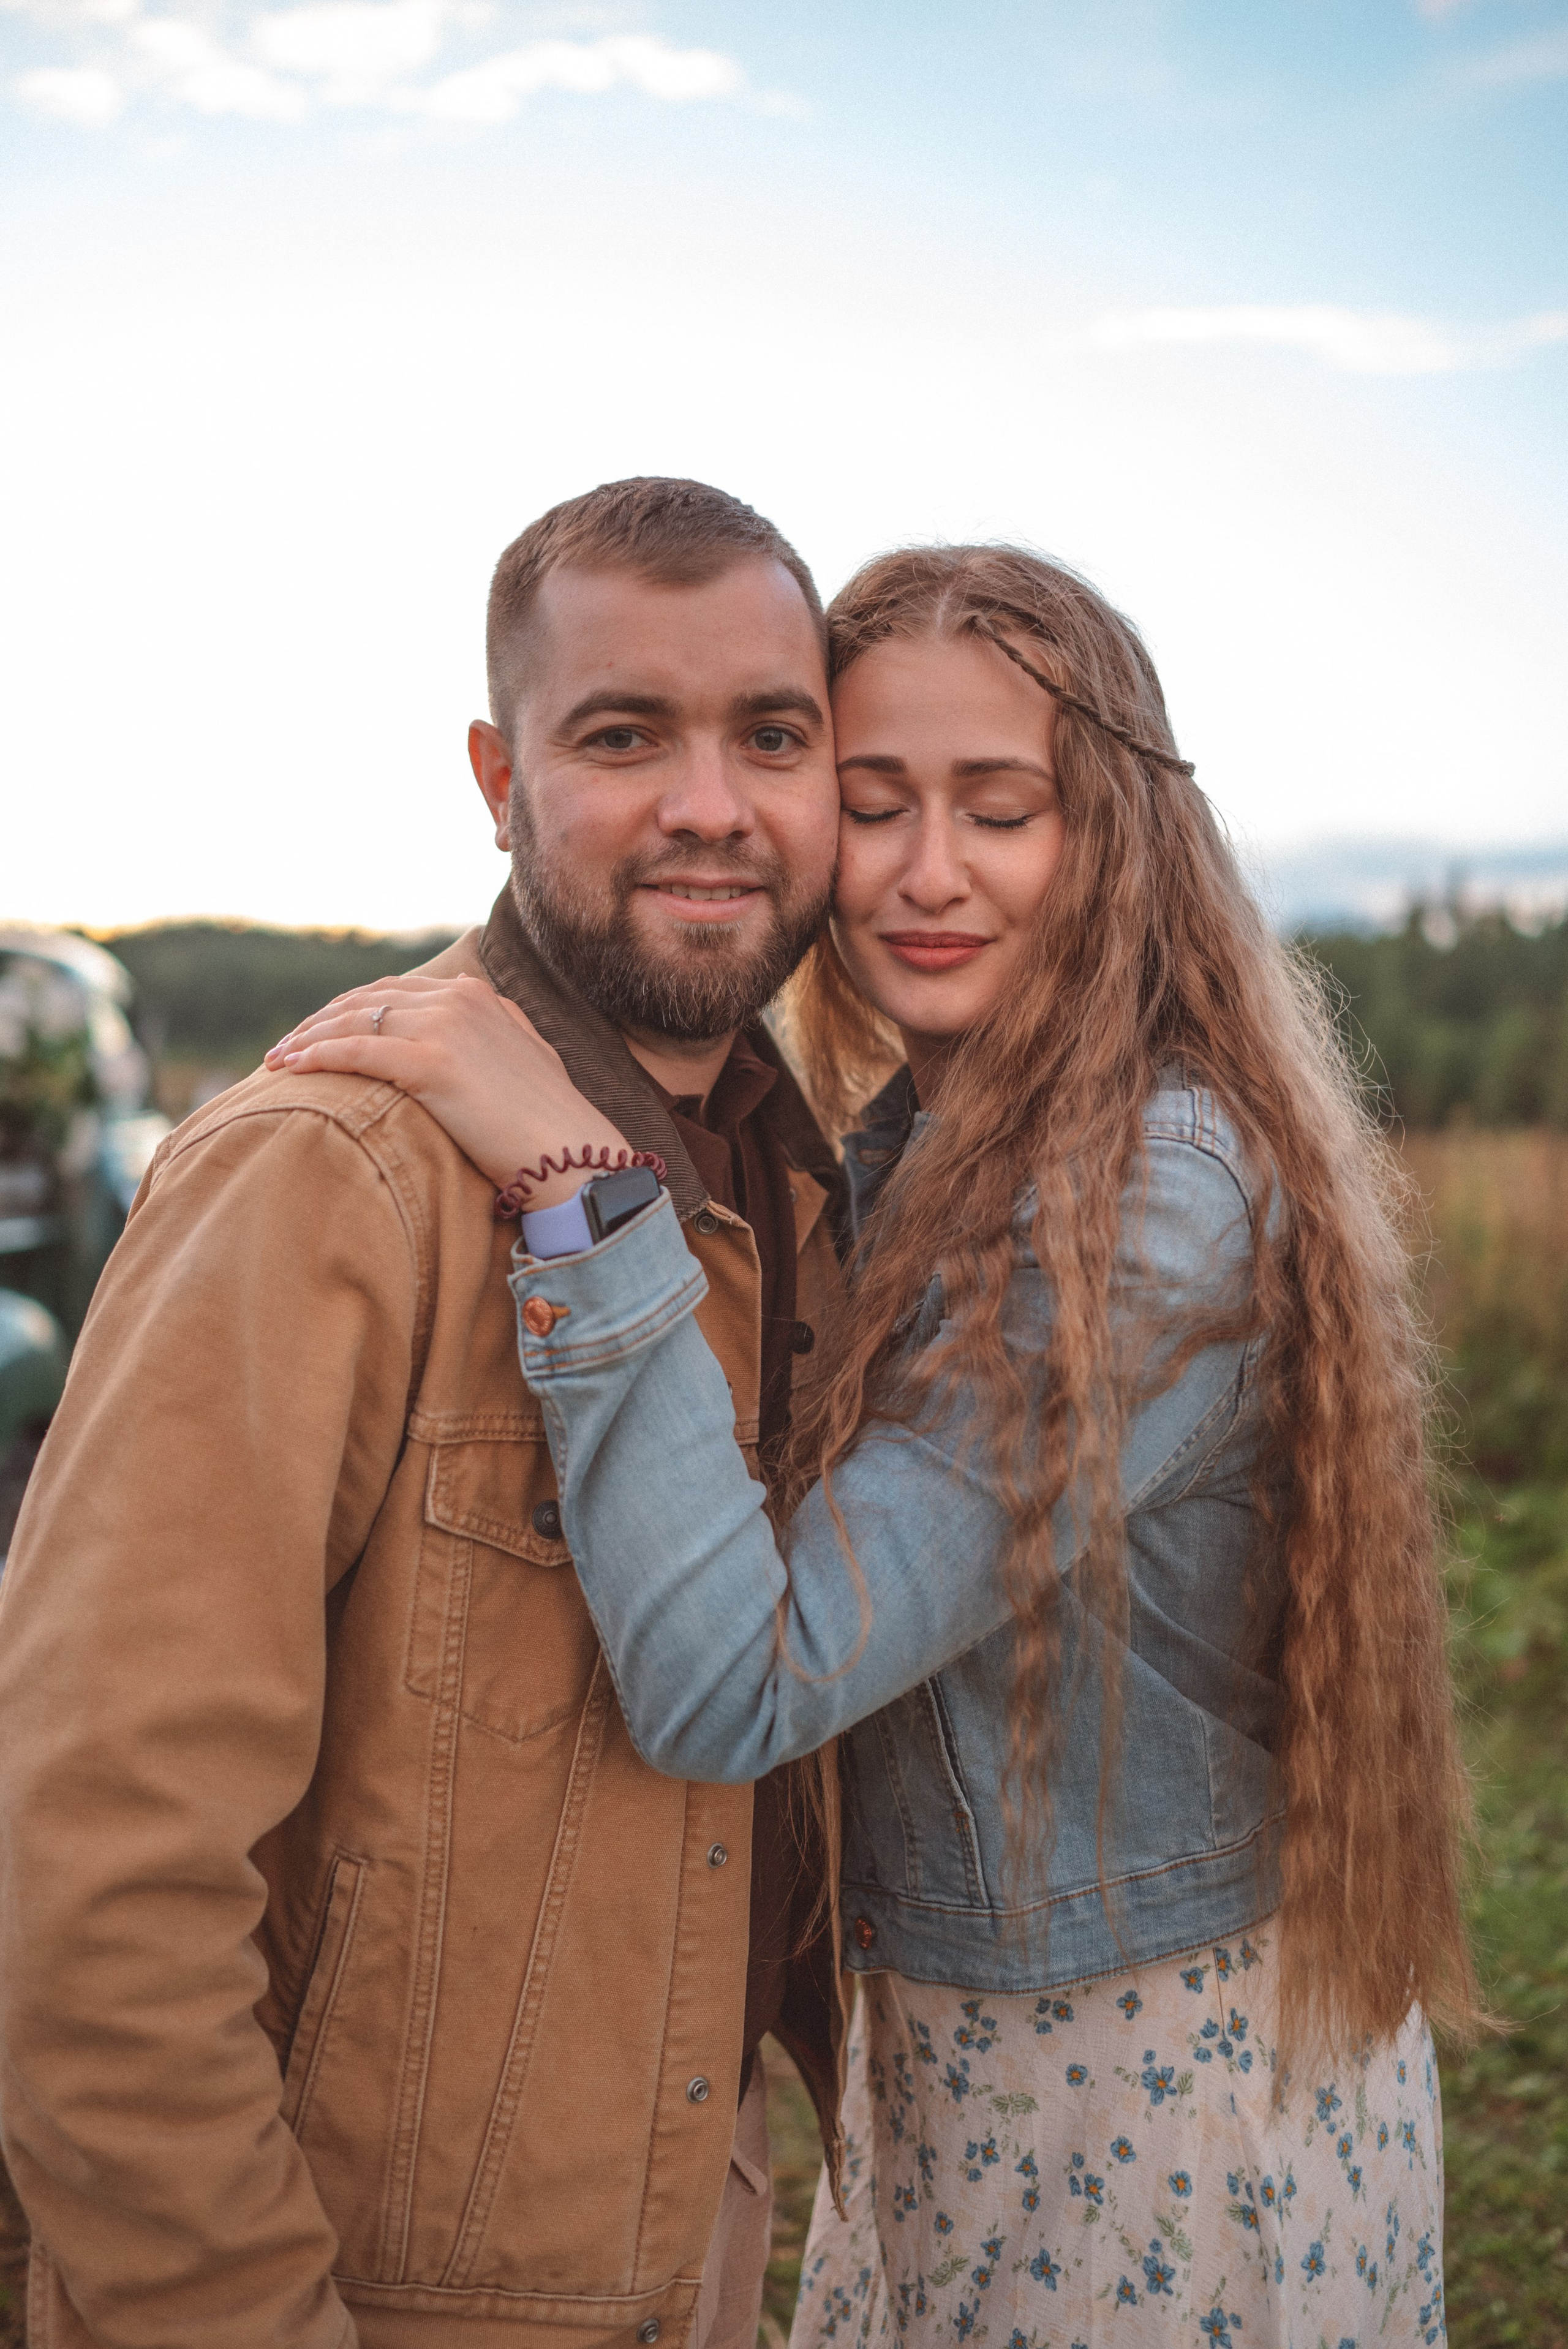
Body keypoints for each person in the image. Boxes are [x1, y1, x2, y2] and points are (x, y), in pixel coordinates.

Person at [279, 544, 1476, 2346]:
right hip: (957, 2069)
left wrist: (576, 1193)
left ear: (1120, 839)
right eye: (873, 802)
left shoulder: (1157, 1193)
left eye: (1001, 810)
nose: (926, 873)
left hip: (1136, 2097)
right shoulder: (929, 1134)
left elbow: (742, 1677)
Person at [0, 477, 853, 2349]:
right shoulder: (328, 1173)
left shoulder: (790, 1198)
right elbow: (92, 1883)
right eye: (624, 734)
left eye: (771, 735)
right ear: (497, 774)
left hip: (679, 2257)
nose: (711, 803)